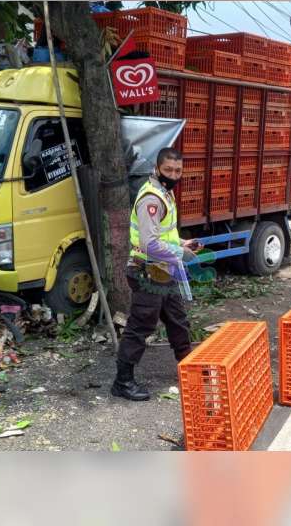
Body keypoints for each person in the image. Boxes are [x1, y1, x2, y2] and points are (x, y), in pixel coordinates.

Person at [111, 147, 202, 401]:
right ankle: (122, 381)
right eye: (168, 170)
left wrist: (183, 244)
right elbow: (150, 244)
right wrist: (180, 254)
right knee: (141, 326)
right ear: (157, 169)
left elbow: (164, 236)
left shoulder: (165, 193)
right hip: (147, 271)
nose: (173, 175)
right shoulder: (152, 199)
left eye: (178, 171)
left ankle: (188, 367)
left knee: (177, 320)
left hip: (163, 269)